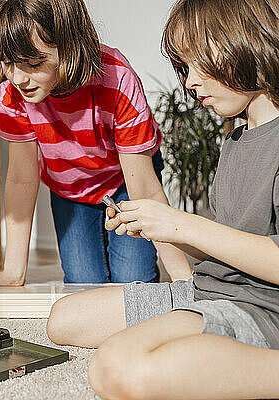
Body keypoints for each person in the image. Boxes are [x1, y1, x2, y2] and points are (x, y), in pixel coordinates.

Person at [47, 0, 279, 398]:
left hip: (262, 306)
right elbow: (231, 249)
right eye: (183, 68)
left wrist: (181, 223)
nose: (188, 82)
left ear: (243, 42)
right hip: (212, 289)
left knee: (119, 369)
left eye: (197, 63)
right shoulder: (237, 138)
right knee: (63, 319)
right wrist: (156, 225)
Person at [0, 0, 191, 286]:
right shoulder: (11, 95)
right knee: (83, 284)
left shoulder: (117, 79)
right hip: (70, 185)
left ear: (70, 46)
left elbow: (145, 190)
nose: (18, 78)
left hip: (126, 181)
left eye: (33, 63)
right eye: (7, 62)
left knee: (132, 282)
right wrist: (13, 272)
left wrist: (182, 278)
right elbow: (21, 180)